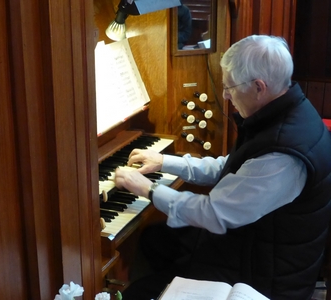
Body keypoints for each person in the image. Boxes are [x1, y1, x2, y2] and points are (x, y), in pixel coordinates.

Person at [114, 35, 331, 300]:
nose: (226, 96)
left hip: (266, 276)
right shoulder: (286, 112)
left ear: (259, 87)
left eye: (230, 87)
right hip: (256, 242)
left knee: (137, 292)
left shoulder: (283, 154)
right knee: (156, 239)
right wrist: (165, 162)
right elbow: (233, 167)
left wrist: (149, 189)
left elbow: (214, 214)